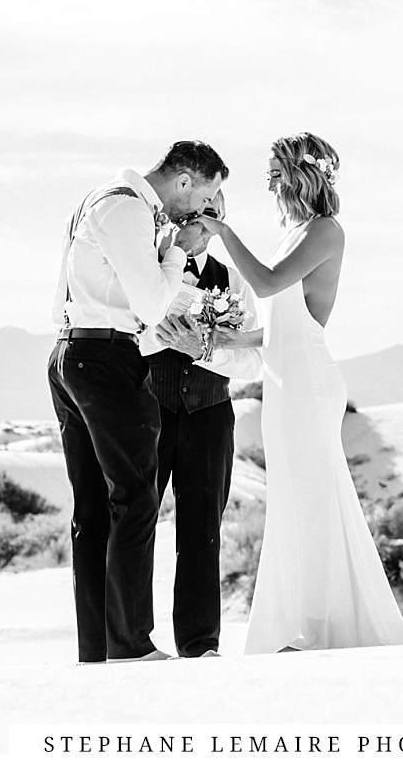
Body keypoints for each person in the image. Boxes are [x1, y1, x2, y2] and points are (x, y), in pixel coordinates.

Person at [196, 132, 403, 654]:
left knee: (315, 499)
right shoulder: (293, 233)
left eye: (275, 170)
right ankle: (302, 624)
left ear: (300, 173)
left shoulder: (325, 232)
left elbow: (269, 286)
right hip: (281, 379)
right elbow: (278, 326)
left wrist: (223, 232)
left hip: (309, 384)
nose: (269, 180)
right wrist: (221, 338)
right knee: (296, 500)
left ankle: (321, 626)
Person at [47, 140, 227, 664]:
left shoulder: (98, 201)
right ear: (186, 181)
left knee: (95, 508)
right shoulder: (126, 207)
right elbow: (153, 302)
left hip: (72, 352)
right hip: (104, 360)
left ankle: (98, 646)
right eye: (205, 197)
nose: (201, 212)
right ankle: (129, 644)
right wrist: (178, 252)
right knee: (135, 498)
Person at [138, 190, 263, 658]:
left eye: (202, 217)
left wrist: (206, 351)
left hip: (210, 415)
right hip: (149, 412)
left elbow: (253, 361)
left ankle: (199, 644)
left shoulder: (232, 281)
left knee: (202, 531)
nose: (189, 225)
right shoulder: (146, 272)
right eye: (182, 216)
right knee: (135, 523)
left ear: (218, 220)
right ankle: (131, 639)